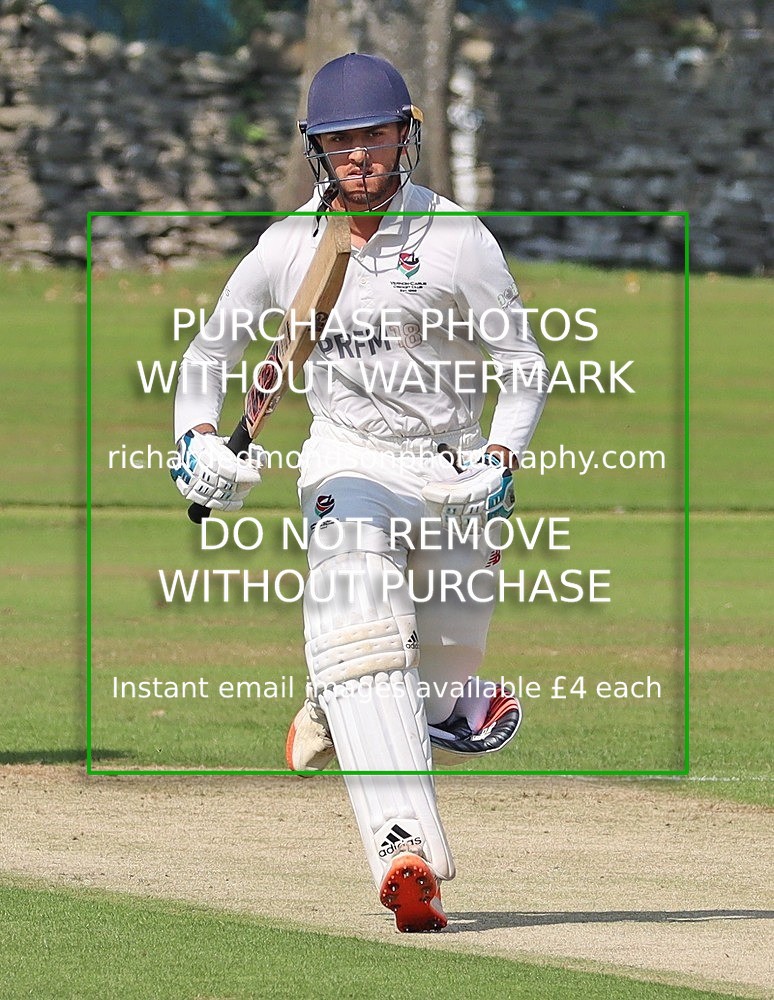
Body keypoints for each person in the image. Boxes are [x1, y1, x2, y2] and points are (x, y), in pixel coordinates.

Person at [172, 53, 548, 932]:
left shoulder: (457, 239)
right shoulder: (286, 246)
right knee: (363, 641)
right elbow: (209, 354)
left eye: (375, 136)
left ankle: (378, 697)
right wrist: (194, 440)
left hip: (452, 468)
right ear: (316, 147)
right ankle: (402, 852)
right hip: (348, 462)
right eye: (341, 141)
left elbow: (522, 366)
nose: (359, 156)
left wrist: (501, 456)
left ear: (406, 136)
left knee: (438, 684)